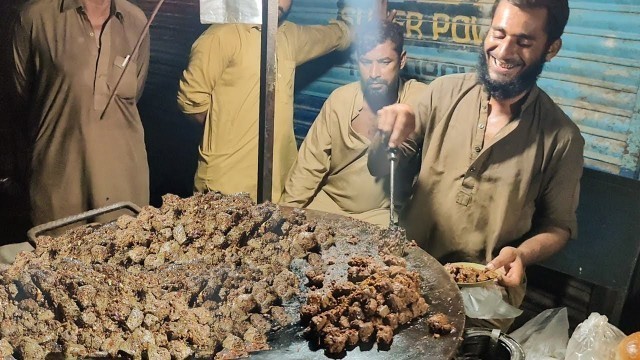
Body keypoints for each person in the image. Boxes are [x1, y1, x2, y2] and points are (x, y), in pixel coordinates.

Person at [370, 0, 584, 330]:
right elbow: (379, 168)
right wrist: (388, 132)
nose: (504, 50)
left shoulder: (562, 137)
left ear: (551, 48)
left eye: (524, 41)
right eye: (498, 33)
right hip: (407, 268)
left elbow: (559, 226)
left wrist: (522, 255)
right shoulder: (440, 93)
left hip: (483, 292)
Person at [177, 0, 392, 202]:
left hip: (277, 185)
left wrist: (375, 27)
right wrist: (229, 130)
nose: (279, 2)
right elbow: (192, 104)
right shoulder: (221, 36)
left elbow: (337, 36)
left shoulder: (288, 35)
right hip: (225, 185)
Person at [2, 0, 151, 263]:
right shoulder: (36, 18)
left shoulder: (137, 21)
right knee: (55, 284)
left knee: (121, 286)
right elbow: (21, 97)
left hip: (124, 191)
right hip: (59, 190)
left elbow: (134, 95)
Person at [281, 21, 425, 227]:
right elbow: (308, 167)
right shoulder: (340, 100)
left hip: (381, 214)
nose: (374, 73)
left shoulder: (417, 98)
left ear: (401, 61)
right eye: (366, 62)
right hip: (329, 203)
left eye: (385, 62)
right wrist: (284, 217)